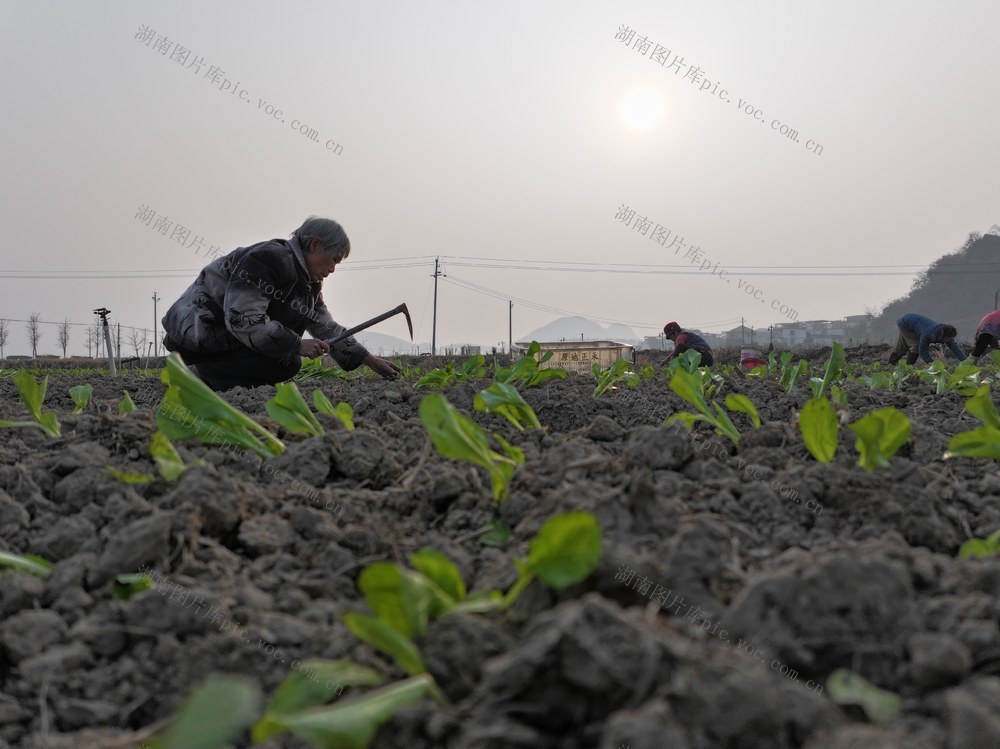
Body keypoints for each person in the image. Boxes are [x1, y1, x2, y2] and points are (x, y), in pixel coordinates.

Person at [162, 216, 400, 390]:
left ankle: (201, 373)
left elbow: (325, 326)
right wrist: (296, 344)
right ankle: (195, 375)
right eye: (333, 260)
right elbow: (241, 317)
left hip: (224, 339)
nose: (332, 270)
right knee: (286, 363)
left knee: (284, 360)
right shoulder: (267, 259)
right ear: (315, 245)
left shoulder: (307, 284)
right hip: (198, 333)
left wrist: (369, 360)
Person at [886, 313, 966, 365]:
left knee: (902, 346)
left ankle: (891, 363)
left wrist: (965, 361)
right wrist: (933, 364)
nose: (948, 341)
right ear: (943, 336)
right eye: (948, 338)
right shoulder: (927, 335)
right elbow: (922, 351)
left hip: (911, 321)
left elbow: (955, 348)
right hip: (905, 323)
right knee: (916, 346)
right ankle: (909, 366)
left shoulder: (946, 333)